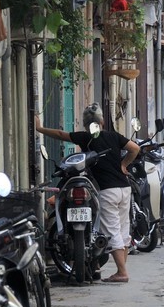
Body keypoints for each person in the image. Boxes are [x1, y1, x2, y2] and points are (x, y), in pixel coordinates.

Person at [37, 102, 140, 283]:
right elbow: (135, 148)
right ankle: (119, 269)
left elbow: (61, 134)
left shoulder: (86, 138)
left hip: (107, 190)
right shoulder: (114, 136)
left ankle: (122, 272)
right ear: (102, 122)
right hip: (124, 188)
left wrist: (40, 128)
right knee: (123, 230)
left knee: (112, 230)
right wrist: (124, 165)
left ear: (86, 125)